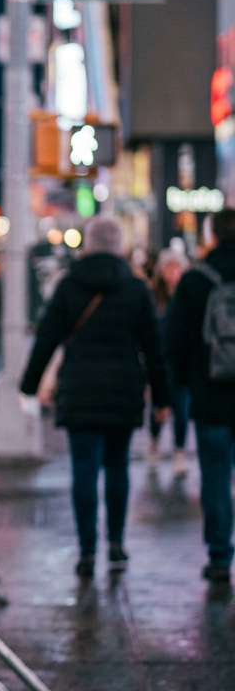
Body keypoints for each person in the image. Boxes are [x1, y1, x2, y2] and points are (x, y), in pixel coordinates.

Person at [20, 215, 170, 577]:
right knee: (118, 466)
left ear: (88, 245)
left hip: (81, 391)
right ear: (118, 247)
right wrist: (162, 398)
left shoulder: (70, 285)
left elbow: (47, 337)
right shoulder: (136, 289)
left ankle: (87, 550)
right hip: (123, 391)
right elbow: (153, 346)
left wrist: (28, 385)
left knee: (84, 470)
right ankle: (116, 544)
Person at [165, 207, 235, 584]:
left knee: (215, 476)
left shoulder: (195, 280)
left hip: (210, 396)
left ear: (212, 235)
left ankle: (220, 557)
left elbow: (173, 341)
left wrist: (179, 383)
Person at [149, 246, 190, 477]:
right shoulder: (155, 299)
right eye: (169, 268)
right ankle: (154, 441)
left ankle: (179, 452)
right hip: (160, 363)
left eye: (177, 268)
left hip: (180, 363)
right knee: (158, 410)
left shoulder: (187, 296)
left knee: (181, 410)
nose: (173, 273)